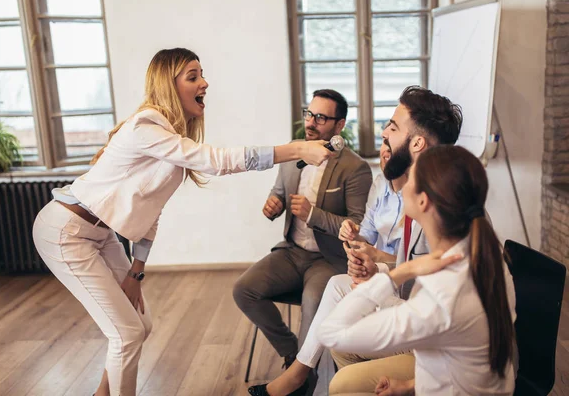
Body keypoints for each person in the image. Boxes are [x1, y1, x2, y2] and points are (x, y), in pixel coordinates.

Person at [32, 48, 333, 396]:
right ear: (168, 84)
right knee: (126, 333)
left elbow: (152, 210)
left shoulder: (170, 139)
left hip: (99, 236)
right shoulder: (146, 127)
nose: (205, 83)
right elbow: (217, 161)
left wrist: (136, 272)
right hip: (66, 232)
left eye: (201, 74)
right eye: (193, 76)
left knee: (138, 326)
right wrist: (295, 149)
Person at [248, 85, 461, 396]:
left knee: (336, 300)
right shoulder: (411, 192)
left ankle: (302, 378)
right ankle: (302, 375)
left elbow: (436, 287)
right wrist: (368, 261)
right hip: (411, 310)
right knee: (339, 293)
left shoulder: (443, 206)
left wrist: (379, 268)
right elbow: (394, 256)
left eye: (393, 126)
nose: (384, 134)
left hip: (432, 335)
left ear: (417, 143)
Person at [319, 145, 517, 396]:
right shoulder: (486, 254)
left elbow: (331, 332)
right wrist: (409, 386)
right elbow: (455, 358)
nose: (402, 181)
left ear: (423, 201)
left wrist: (396, 275)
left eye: (411, 177)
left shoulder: (441, 296)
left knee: (339, 390)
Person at [233, 89, 372, 390]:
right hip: (291, 253)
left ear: (339, 125)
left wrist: (313, 215)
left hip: (328, 260)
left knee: (313, 300)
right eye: (310, 114)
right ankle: (292, 355)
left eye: (321, 117)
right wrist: (273, 204)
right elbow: (279, 192)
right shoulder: (293, 154)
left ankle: (302, 384)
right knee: (243, 290)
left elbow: (357, 227)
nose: (311, 122)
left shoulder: (354, 167)